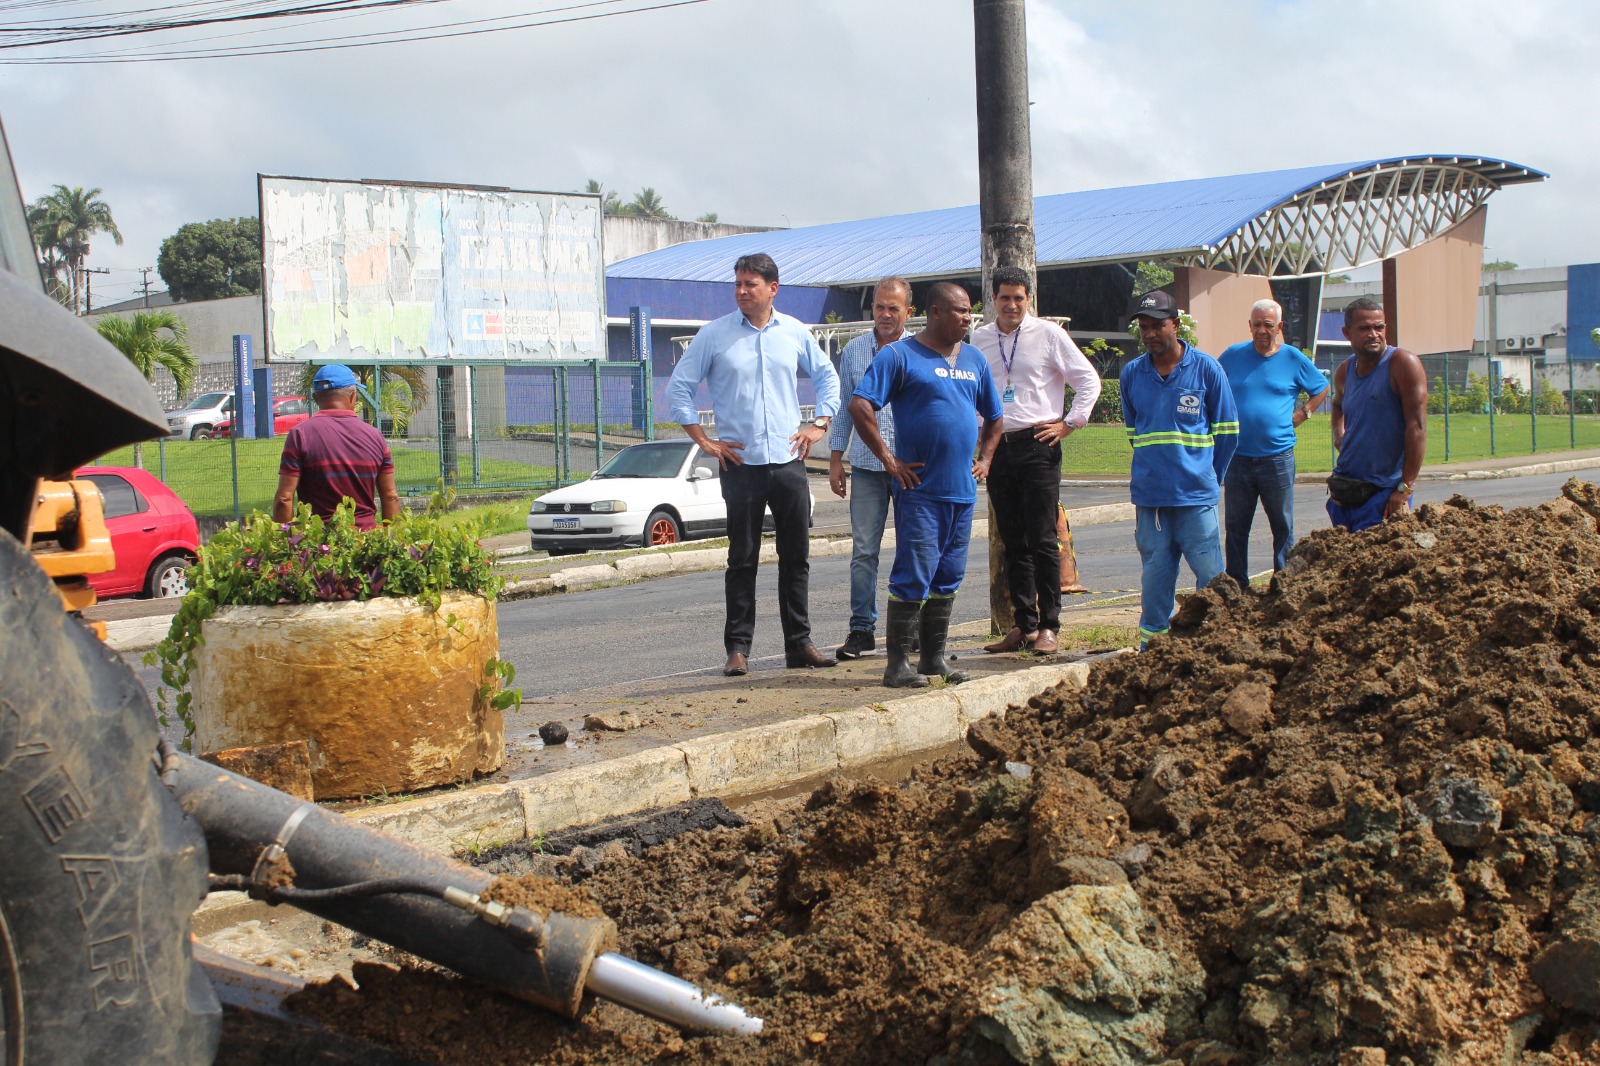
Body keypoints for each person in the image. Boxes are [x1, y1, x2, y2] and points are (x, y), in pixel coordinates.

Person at [665, 253, 842, 677]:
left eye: (751, 285)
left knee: (796, 556)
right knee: (742, 558)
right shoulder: (715, 335)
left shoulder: (795, 332)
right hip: (740, 464)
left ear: (772, 288)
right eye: (739, 285)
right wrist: (704, 441)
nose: (742, 292)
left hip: (787, 462)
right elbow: (680, 389)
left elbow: (827, 378)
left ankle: (799, 643)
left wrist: (818, 426)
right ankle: (738, 649)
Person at [849, 282, 1003, 688]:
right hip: (920, 492)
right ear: (935, 313)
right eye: (959, 311)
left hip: (962, 494)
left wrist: (985, 459)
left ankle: (932, 660)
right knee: (913, 575)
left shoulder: (974, 359)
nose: (967, 318)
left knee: (949, 575)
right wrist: (889, 459)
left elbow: (995, 416)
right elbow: (860, 404)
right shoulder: (900, 356)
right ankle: (896, 665)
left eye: (970, 311)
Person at [972, 265, 1101, 656]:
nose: (1011, 305)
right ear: (992, 300)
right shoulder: (978, 340)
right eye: (1004, 298)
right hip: (998, 448)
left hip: (1037, 445)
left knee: (1043, 539)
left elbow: (1088, 380)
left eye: (1018, 298)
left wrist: (1068, 425)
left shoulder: (1048, 335)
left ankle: (1049, 626)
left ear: (1028, 299)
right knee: (1013, 542)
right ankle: (1024, 625)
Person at [1120, 290, 1239, 649]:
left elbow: (1228, 433)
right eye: (1145, 327)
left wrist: (1207, 477)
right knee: (1155, 581)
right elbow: (1134, 433)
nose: (1151, 333)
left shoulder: (1206, 369)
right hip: (1151, 500)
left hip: (1196, 497)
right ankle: (1152, 651)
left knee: (1211, 578)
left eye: (1158, 325)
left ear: (1176, 324)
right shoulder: (1131, 374)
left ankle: (1216, 647)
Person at [828, 277, 914, 660]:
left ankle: (911, 630)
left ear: (908, 312)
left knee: (914, 549)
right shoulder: (855, 350)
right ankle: (861, 629)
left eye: (893, 308)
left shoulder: (922, 350)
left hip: (911, 468)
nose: (884, 314)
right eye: (879, 307)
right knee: (864, 551)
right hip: (865, 467)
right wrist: (834, 458)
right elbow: (848, 407)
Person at [1217, 299, 1330, 587]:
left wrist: (1304, 413)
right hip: (1238, 457)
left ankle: (1284, 584)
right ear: (1250, 326)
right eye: (1257, 324)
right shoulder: (1232, 355)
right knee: (1235, 526)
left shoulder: (1293, 358)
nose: (1262, 330)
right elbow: (1212, 384)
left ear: (1279, 327)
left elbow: (1322, 388)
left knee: (1282, 524)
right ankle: (1237, 585)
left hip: (1277, 458)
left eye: (1269, 325)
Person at [1326, 297, 1428, 532]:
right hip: (1345, 489)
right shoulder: (1345, 371)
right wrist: (1338, 433)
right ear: (1347, 332)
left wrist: (1405, 487)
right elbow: (1337, 404)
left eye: (1379, 327)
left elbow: (1417, 427)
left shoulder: (1402, 364)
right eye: (1364, 328)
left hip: (1383, 495)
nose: (1374, 334)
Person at [273, 363, 401, 530]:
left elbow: (284, 498)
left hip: (316, 544)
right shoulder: (375, 437)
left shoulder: (299, 435)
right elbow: (390, 497)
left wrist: (283, 542)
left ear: (316, 398)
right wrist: (392, 543)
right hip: (365, 543)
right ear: (353, 396)